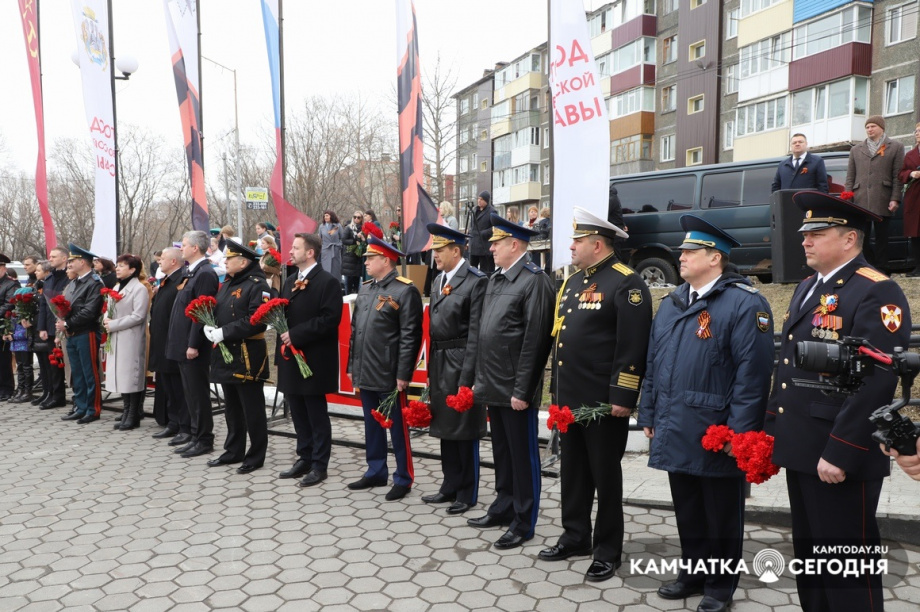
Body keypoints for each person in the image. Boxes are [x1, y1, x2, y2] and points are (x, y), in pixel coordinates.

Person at [766, 191, 910, 612]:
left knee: (847, 570)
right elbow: (788, 366)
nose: (805, 240)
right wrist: (772, 428)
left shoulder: (876, 290)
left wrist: (841, 451)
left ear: (849, 239)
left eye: (817, 232)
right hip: (803, 446)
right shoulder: (808, 287)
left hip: (838, 451)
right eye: (804, 233)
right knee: (811, 561)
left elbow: (877, 380)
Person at [638, 215, 774, 612]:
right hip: (676, 422)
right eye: (681, 251)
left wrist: (740, 433)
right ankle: (693, 573)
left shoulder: (744, 303)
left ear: (715, 258)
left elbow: (753, 375)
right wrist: (649, 412)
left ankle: (719, 586)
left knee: (721, 513)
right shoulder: (673, 302)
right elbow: (654, 362)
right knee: (688, 507)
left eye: (689, 251)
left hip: (716, 429)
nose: (680, 257)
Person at [540, 207, 653, 582]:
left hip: (603, 403)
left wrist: (623, 396)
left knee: (605, 477)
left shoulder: (626, 283)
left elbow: (632, 346)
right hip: (570, 400)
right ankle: (575, 536)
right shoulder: (573, 281)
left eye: (577, 240)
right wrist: (557, 394)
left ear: (597, 244)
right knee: (572, 472)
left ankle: (607, 550)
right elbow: (562, 341)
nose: (571, 246)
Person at [467, 214, 554, 550]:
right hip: (493, 382)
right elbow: (485, 332)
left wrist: (523, 389)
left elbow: (536, 341)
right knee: (502, 452)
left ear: (514, 245)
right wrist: (479, 379)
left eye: (496, 243)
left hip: (515, 387)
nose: (490, 248)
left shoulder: (534, 281)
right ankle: (503, 505)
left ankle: (523, 520)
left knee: (522, 456)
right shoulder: (497, 279)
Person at [346, 235, 423, 501]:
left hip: (389, 372)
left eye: (370, 258)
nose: (366, 262)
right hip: (366, 369)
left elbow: (410, 336)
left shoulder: (405, 290)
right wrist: (352, 365)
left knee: (397, 429)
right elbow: (356, 331)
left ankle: (403, 477)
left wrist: (403, 374)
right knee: (372, 425)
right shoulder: (366, 288)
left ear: (386, 260)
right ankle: (376, 470)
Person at [422, 223, 488, 515]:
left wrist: (467, 376)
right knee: (445, 426)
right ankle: (449, 484)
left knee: (464, 428)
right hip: (440, 359)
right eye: (434, 249)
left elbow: (476, 333)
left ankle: (466, 491)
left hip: (461, 359)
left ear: (456, 251)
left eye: (440, 250)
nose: (435, 255)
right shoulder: (439, 279)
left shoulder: (475, 281)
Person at [276, 233, 343, 486]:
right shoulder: (290, 280)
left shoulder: (328, 282)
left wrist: (296, 335)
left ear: (310, 252)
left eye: (295, 248)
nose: (290, 252)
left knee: (316, 414)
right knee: (297, 411)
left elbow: (329, 319)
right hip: (291, 358)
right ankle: (304, 457)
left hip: (314, 358)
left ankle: (319, 464)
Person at [202, 241, 271, 474]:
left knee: (252, 409)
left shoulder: (257, 286)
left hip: (247, 355)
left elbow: (258, 320)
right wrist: (210, 325)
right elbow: (220, 310)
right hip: (227, 354)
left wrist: (225, 332)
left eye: (229, 259)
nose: (225, 262)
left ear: (242, 263)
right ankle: (233, 450)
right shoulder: (229, 283)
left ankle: (256, 455)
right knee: (232, 407)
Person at [167, 230, 220, 458]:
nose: (181, 248)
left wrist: (194, 344)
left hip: (193, 346)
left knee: (198, 395)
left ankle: (204, 439)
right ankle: (195, 435)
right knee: (190, 394)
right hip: (182, 343)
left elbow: (202, 312)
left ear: (195, 248)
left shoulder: (205, 273)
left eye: (184, 245)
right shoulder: (193, 271)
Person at [845, 115, 906, 272]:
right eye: (867, 127)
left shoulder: (896, 147)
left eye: (873, 126)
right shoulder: (856, 149)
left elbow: (897, 176)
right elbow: (850, 176)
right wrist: (847, 196)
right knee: (861, 237)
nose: (869, 129)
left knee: (882, 237)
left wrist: (895, 198)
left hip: (883, 198)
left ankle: (882, 268)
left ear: (882, 128)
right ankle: (867, 265)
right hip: (860, 199)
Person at [56, 244, 105, 424]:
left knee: (89, 372)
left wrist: (67, 323)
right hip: (72, 333)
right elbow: (66, 305)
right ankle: (81, 406)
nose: (69, 264)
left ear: (82, 262)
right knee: (77, 373)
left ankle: (93, 409)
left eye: (72, 261)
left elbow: (90, 311)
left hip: (86, 332)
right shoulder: (74, 282)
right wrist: (61, 320)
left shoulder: (94, 283)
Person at [103, 254, 151, 431]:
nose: (117, 268)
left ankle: (133, 415)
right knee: (122, 376)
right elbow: (109, 308)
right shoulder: (117, 286)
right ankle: (126, 411)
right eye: (117, 265)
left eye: (122, 266)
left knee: (131, 377)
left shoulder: (139, 289)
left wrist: (114, 324)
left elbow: (138, 316)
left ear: (132, 270)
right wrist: (106, 319)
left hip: (130, 337)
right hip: (116, 335)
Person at [148, 247, 190, 442]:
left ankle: (184, 425)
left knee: (178, 388)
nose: (159, 261)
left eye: (162, 258)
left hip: (174, 342)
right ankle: (173, 423)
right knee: (168, 387)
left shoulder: (181, 280)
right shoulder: (167, 281)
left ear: (173, 261)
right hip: (161, 342)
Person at [36, 247, 69, 409]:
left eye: (54, 256)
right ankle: (56, 396)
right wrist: (42, 327)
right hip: (50, 326)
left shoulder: (69, 277)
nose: (50, 259)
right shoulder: (49, 278)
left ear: (64, 258)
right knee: (54, 364)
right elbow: (44, 304)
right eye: (50, 256)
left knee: (67, 364)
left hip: (66, 326)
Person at [6, 286, 36, 404]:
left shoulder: (27, 312)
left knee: (27, 367)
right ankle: (20, 390)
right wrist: (7, 333)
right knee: (20, 367)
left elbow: (26, 331)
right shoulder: (16, 312)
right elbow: (12, 326)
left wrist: (13, 336)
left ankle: (27, 391)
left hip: (24, 344)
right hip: (16, 344)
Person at [898, 122, 920, 277]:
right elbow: (901, 173)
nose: (917, 133)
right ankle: (918, 266)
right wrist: (911, 174)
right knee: (916, 234)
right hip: (915, 199)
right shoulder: (910, 155)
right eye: (916, 131)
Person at [0, 254, 18, 401]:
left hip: (3, 326)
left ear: (3, 268)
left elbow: (9, 304)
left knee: (3, 360)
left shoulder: (10, 284)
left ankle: (7, 389)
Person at [469, 191, 496, 274]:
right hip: (474, 246)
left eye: (481, 199)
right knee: (472, 271)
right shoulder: (474, 210)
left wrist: (484, 233)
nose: (479, 201)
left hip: (484, 247)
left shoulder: (492, 211)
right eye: (478, 199)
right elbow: (471, 226)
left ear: (486, 201)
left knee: (486, 272)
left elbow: (495, 227)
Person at [341, 210, 366, 295]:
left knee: (357, 283)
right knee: (348, 284)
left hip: (358, 259)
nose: (356, 219)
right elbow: (344, 240)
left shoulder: (363, 229)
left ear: (361, 219)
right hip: (349, 257)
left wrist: (363, 240)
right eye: (354, 217)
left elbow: (365, 242)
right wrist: (355, 239)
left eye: (358, 217)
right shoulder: (349, 228)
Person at [319, 211, 344, 282]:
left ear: (331, 216)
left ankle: (336, 284)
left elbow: (342, 238)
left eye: (327, 215)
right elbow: (320, 239)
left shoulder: (337, 226)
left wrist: (338, 246)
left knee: (335, 270)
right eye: (324, 216)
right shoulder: (322, 226)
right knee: (325, 270)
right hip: (325, 250)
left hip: (335, 250)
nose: (325, 217)